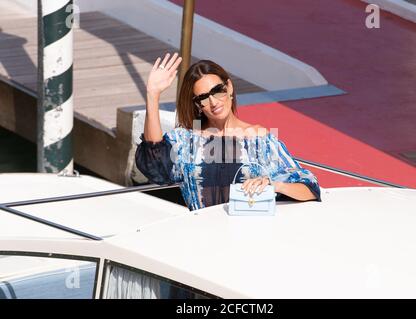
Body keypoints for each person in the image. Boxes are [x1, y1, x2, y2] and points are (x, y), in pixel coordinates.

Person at [135, 52, 321, 211]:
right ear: (198, 105)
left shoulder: (259, 139)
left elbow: (309, 188)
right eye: (203, 97)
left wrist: (275, 186)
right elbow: (154, 162)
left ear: (229, 87)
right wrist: (153, 94)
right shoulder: (186, 141)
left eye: (217, 91)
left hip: (249, 240)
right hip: (202, 238)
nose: (214, 102)